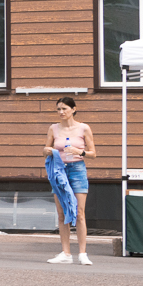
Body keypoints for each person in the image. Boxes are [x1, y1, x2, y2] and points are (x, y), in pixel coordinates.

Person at [46, 95, 97, 265]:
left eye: (64, 109)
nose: (61, 112)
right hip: (59, 170)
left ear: (73, 109)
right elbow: (46, 148)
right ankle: (66, 253)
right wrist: (48, 150)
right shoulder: (53, 128)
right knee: (62, 213)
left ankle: (82, 253)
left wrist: (79, 151)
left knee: (79, 212)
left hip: (77, 169)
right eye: (58, 109)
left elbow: (93, 154)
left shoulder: (83, 128)